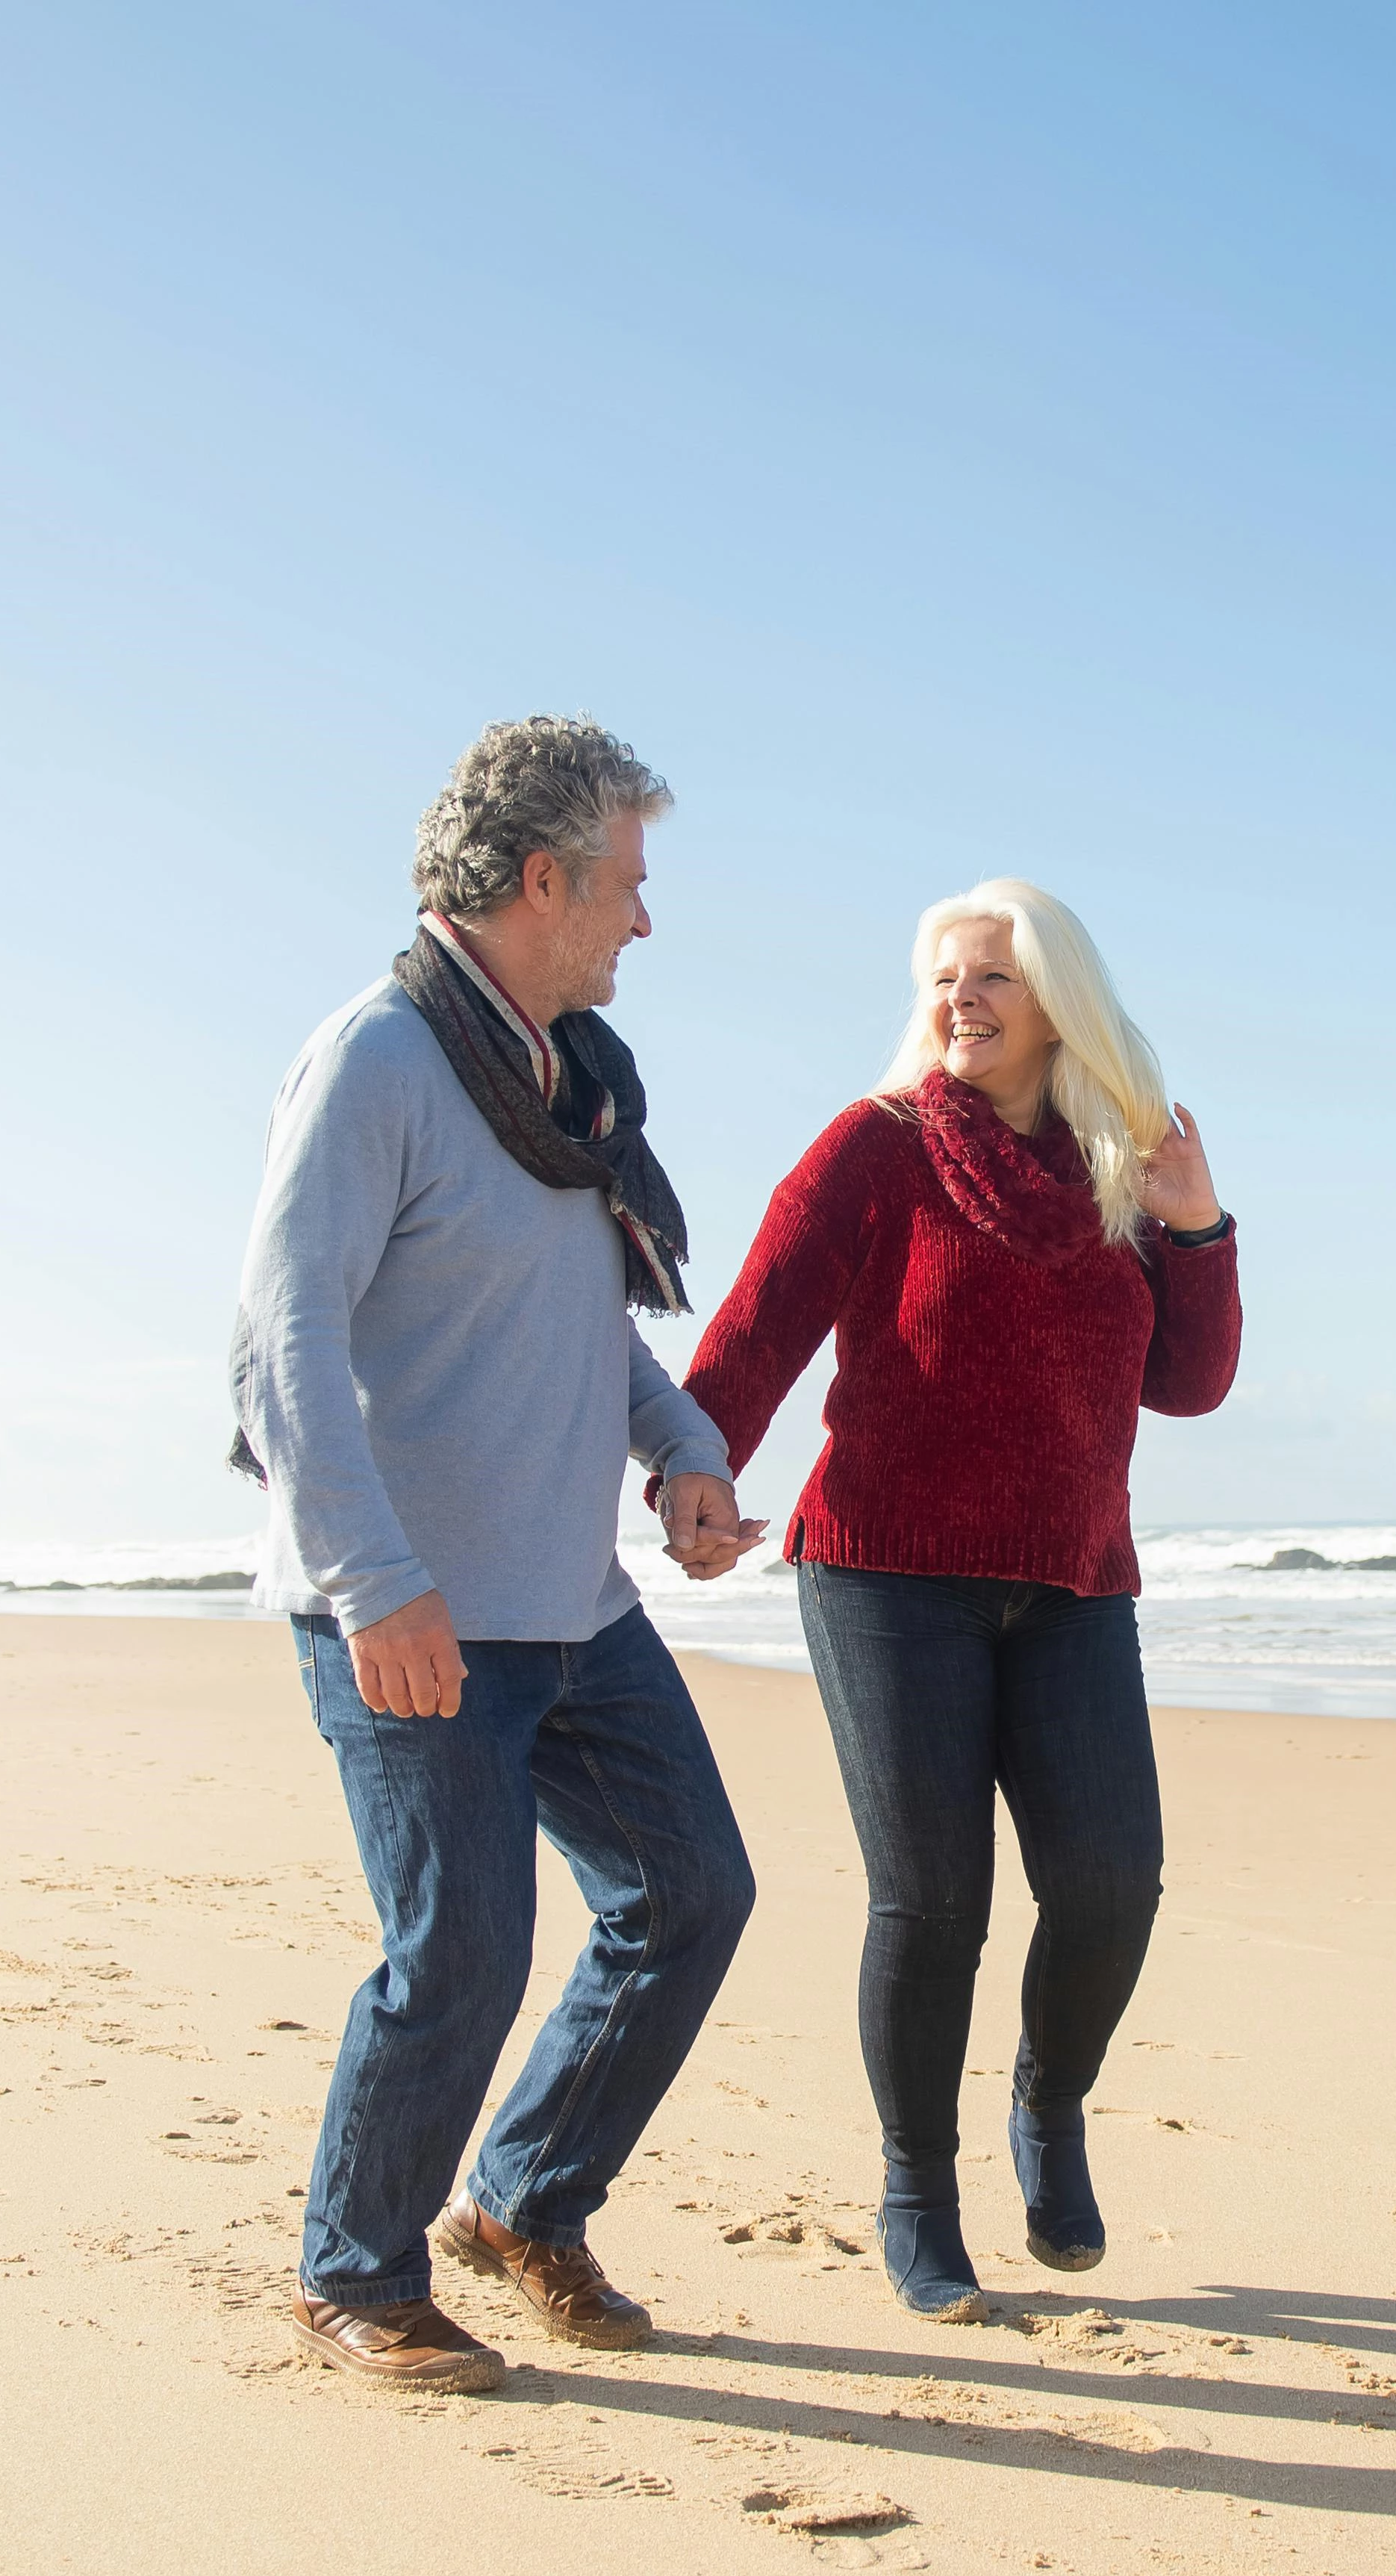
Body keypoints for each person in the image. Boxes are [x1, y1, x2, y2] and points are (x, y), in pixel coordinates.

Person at [231, 716, 766, 2396]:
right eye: (626, 883)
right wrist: (373, 1580)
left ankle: (524, 2199)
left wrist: (680, 1450)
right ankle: (354, 2272)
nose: (642, 920)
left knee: (688, 1895)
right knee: (458, 1945)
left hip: (570, 1604)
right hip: (412, 1607)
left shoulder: (570, 1091)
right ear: (542, 879)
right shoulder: (380, 1057)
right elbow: (283, 1338)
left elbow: (581, 1332)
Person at [679, 878, 1240, 2321]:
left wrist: (1197, 1230)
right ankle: (917, 2190)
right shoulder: (875, 1152)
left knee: (1113, 1885)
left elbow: (1186, 1385)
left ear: (1059, 999)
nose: (960, 1001)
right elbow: (759, 1323)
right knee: (934, 1905)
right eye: (940, 978)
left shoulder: (1121, 1165)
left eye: (989, 976)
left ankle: (1047, 2110)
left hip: (1070, 1581)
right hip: (885, 1572)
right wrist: (693, 1471)